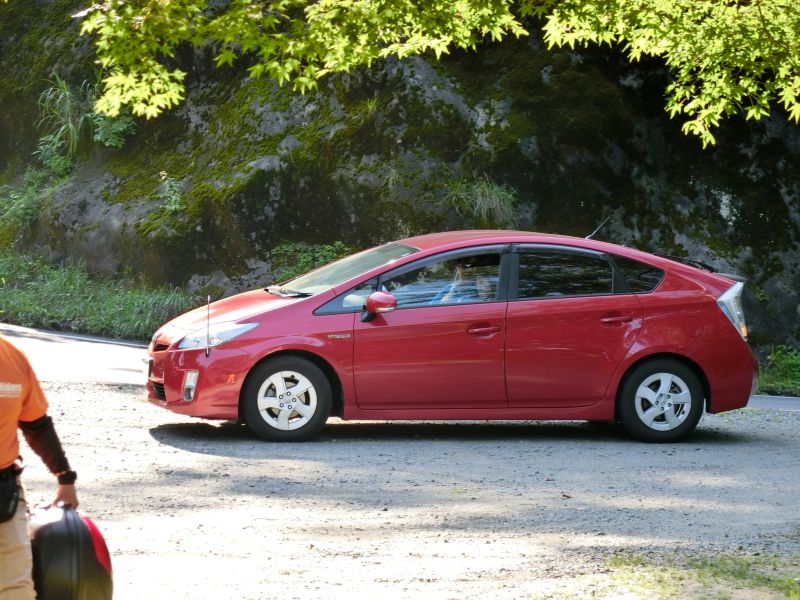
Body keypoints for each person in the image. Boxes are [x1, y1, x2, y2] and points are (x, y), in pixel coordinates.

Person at [0, 334, 78, 599]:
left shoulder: (11, 358)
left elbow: (36, 424)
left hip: (3, 493)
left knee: (15, 589)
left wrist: (65, 477)